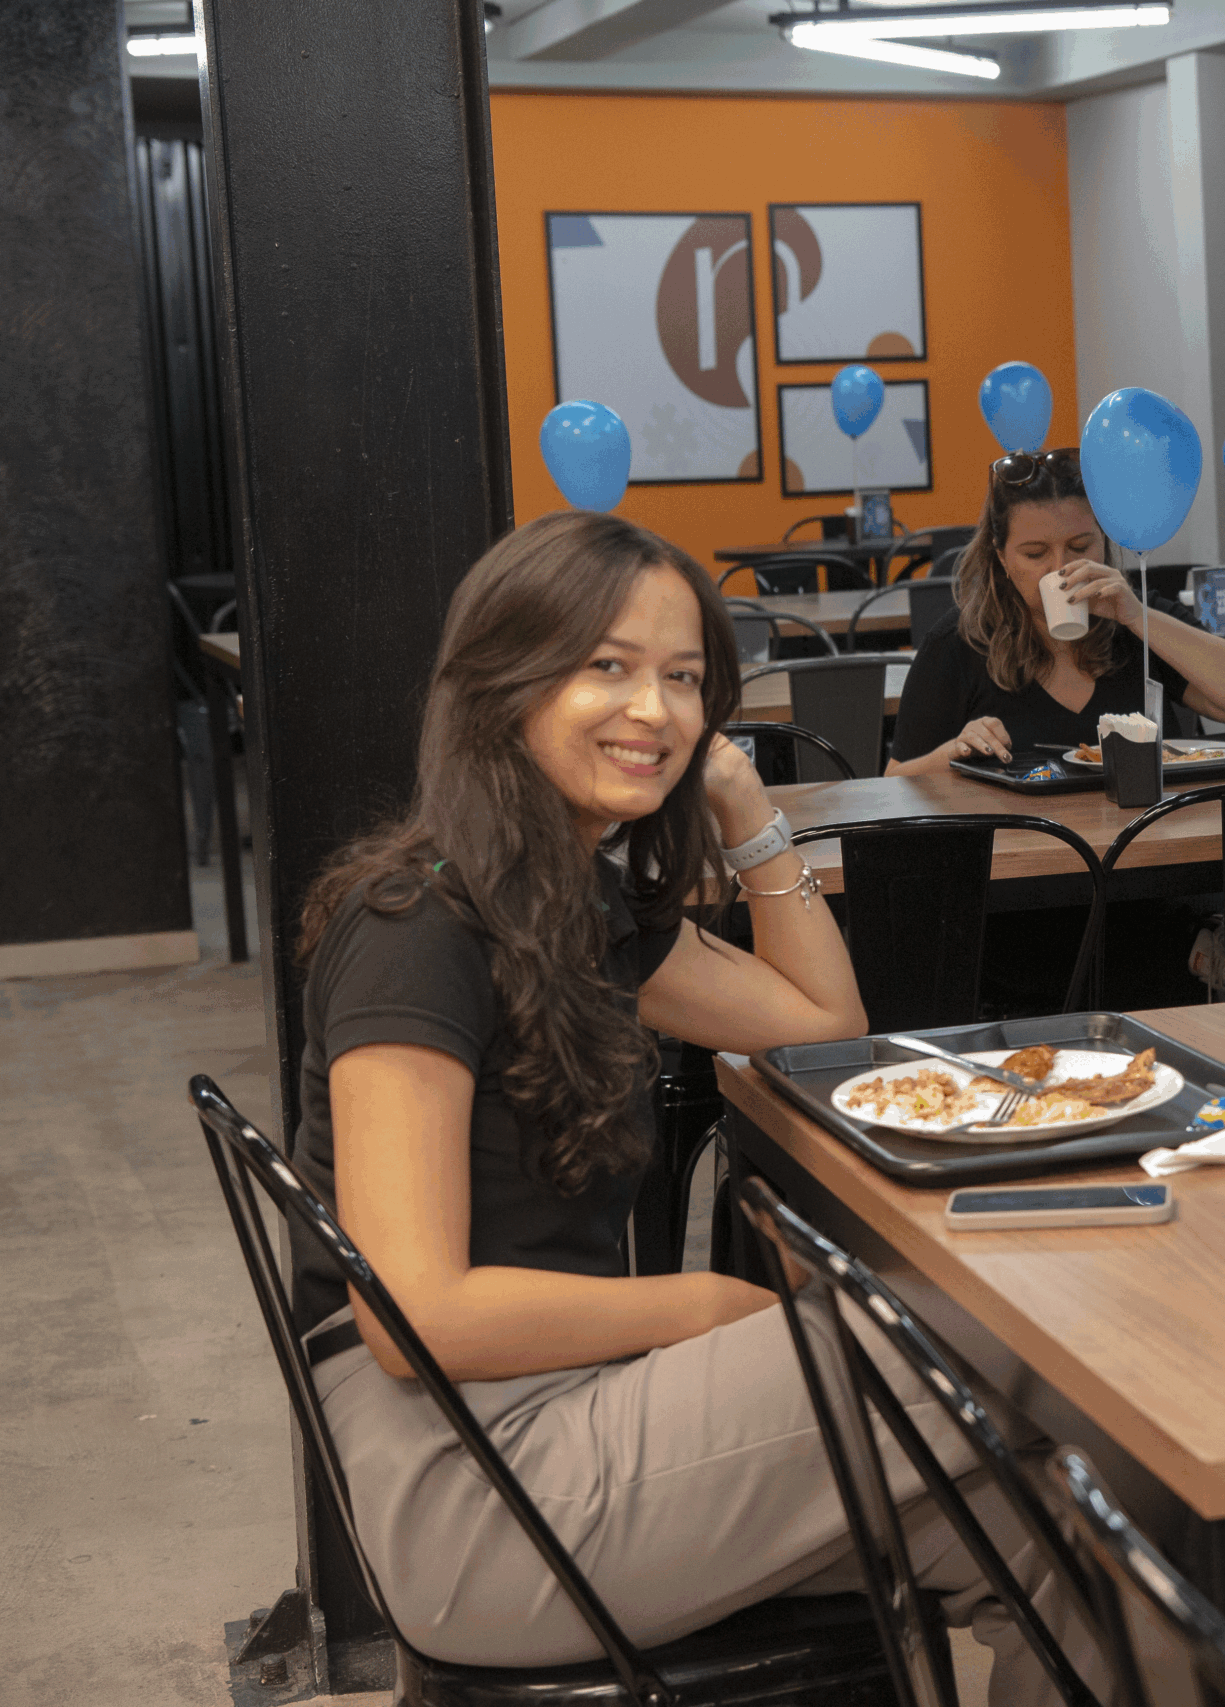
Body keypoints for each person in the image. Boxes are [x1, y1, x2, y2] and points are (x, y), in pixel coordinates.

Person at [289, 510, 1085, 1697]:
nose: (655, 711)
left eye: (682, 678)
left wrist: (750, 817)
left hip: (580, 1420)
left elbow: (824, 1028)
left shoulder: (570, 901)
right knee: (1017, 1332)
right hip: (473, 1486)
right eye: (606, 667)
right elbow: (413, 1319)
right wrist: (706, 1306)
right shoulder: (419, 927)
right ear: (501, 684)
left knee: (1068, 1545)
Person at [887, 447, 1225, 774]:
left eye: (1080, 547)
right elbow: (894, 780)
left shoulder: (1136, 619)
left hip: (1147, 833)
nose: (1060, 568)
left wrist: (1137, 617)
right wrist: (954, 753)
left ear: (1104, 541)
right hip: (1027, 842)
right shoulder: (961, 641)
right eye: (1035, 553)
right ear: (1001, 557)